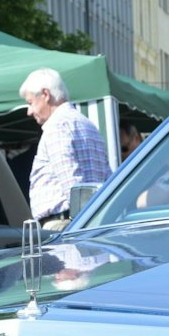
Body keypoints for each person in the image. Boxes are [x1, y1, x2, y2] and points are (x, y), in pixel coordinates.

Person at [20, 67, 110, 226]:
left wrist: (81, 224)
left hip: (65, 223)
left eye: (30, 103)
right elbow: (107, 178)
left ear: (46, 95)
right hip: (90, 220)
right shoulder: (89, 125)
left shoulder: (56, 126)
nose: (29, 111)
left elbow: (72, 183)